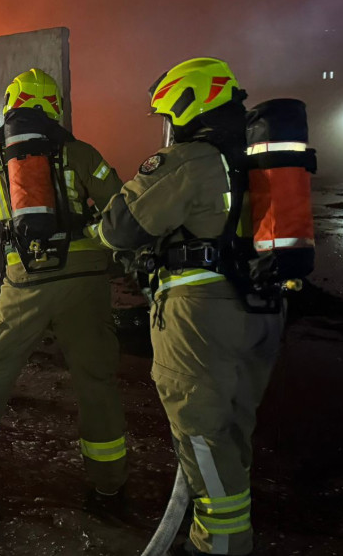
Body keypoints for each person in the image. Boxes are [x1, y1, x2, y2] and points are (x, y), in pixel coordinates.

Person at [96, 57, 284, 556]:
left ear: (187, 105)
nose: (167, 127)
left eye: (168, 115)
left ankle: (218, 544)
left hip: (203, 315)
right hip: (261, 308)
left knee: (202, 434)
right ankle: (227, 530)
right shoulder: (258, 158)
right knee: (231, 430)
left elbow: (119, 225)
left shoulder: (192, 159)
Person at [0, 68, 130, 499]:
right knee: (95, 380)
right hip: (84, 282)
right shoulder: (81, 152)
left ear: (11, 105)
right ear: (55, 107)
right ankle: (109, 482)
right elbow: (120, 204)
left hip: (24, 281)